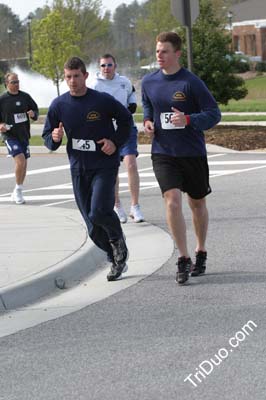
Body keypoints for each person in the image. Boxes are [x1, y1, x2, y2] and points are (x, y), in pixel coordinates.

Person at [42, 57, 133, 281]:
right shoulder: (59, 105)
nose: (72, 81)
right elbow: (48, 137)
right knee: (92, 226)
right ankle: (115, 257)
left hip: (104, 164)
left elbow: (126, 120)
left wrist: (115, 141)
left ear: (85, 76)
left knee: (99, 211)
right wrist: (54, 138)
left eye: (76, 76)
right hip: (79, 168)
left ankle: (118, 244)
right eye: (68, 77)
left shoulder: (101, 101)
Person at [141, 32, 221, 285]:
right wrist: (147, 122)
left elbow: (213, 114)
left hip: (192, 152)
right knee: (172, 200)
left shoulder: (191, 82)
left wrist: (188, 120)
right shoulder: (148, 82)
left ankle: (200, 250)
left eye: (164, 51)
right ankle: (183, 257)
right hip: (163, 152)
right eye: (157, 51)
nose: (159, 56)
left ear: (177, 53)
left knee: (197, 204)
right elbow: (148, 108)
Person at [90, 54, 144, 224]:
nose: (106, 68)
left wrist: (131, 105)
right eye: (103, 65)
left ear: (115, 66)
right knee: (113, 169)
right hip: (107, 132)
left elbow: (132, 95)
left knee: (131, 163)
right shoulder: (95, 85)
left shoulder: (124, 82)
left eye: (109, 65)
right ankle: (117, 205)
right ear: (100, 68)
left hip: (126, 128)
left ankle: (135, 206)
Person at [0, 72, 39, 204]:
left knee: (24, 164)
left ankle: (18, 189)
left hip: (23, 134)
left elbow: (35, 111)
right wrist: (1, 125)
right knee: (20, 160)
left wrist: (33, 114)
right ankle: (18, 192)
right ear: (7, 84)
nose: (16, 84)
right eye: (13, 82)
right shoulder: (2, 99)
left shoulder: (25, 97)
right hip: (10, 135)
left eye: (17, 82)